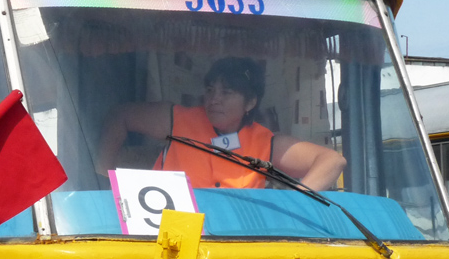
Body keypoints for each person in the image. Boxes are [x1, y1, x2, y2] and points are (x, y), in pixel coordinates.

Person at [97, 56, 346, 191]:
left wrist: (295, 205)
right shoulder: (176, 120)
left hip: (234, 246)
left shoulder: (266, 142)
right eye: (210, 89)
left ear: (250, 102)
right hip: (168, 238)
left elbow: (333, 161)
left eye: (227, 92)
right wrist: (101, 182)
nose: (214, 99)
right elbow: (119, 116)